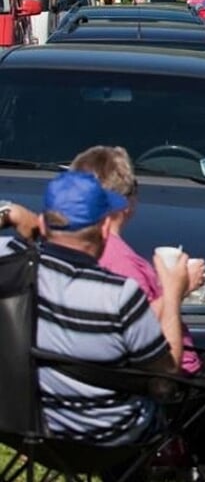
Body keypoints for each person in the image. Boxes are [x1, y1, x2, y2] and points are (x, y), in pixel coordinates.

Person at [0, 171, 191, 444]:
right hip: (107, 437)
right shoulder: (120, 295)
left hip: (23, 425)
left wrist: (10, 212)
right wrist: (173, 293)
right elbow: (165, 383)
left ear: (42, 222)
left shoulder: (10, 260)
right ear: (104, 228)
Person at [69, 146, 205, 375]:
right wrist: (180, 286)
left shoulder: (78, 248)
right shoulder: (121, 261)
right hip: (174, 379)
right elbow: (139, 325)